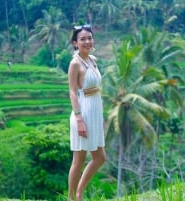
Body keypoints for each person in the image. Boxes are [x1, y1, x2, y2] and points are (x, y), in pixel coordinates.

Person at [67, 24, 106, 201]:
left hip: (95, 112)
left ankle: (79, 192)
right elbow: (73, 92)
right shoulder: (75, 63)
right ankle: (71, 197)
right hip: (83, 113)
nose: (87, 41)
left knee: (100, 157)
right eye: (82, 39)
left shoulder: (93, 60)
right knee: (79, 159)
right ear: (75, 43)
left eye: (89, 38)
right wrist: (79, 119)